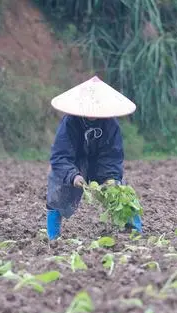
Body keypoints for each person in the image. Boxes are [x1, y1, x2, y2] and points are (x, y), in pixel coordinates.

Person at [45, 76, 143, 240]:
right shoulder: (69, 123)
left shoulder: (111, 124)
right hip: (74, 163)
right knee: (57, 190)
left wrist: (110, 177)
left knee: (121, 192)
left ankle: (135, 231)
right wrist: (73, 176)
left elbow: (112, 155)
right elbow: (60, 156)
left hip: (100, 164)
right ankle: (53, 237)